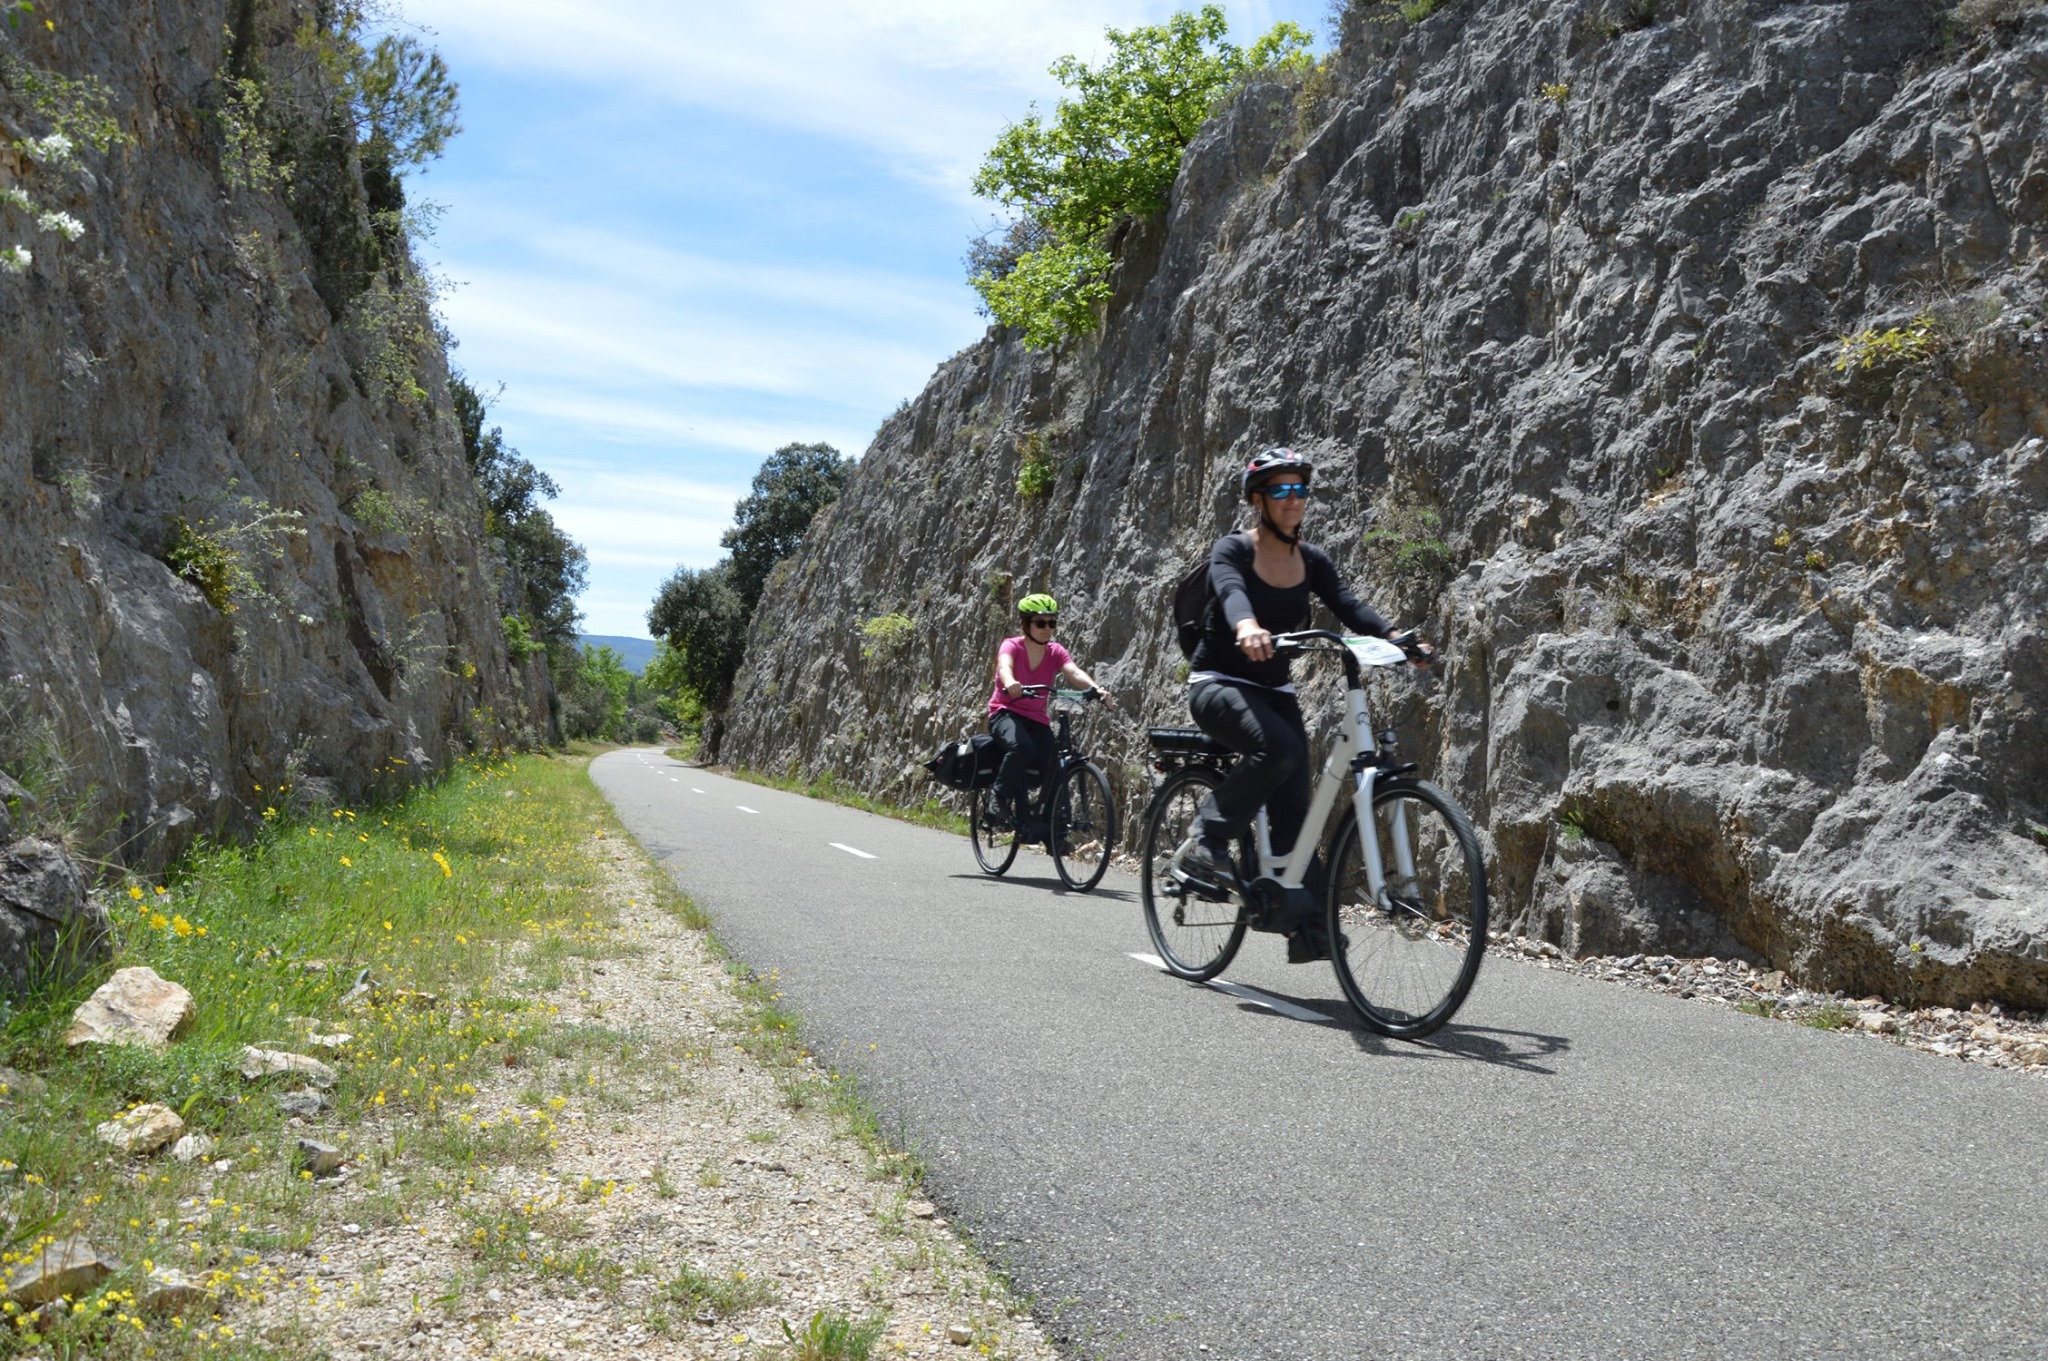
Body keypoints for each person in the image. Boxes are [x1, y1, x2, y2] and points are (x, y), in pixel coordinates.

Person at [1180, 448, 1430, 960]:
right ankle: (1208, 836)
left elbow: (1348, 604)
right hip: (1217, 682)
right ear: (1258, 500)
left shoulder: (1312, 560)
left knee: (1297, 809)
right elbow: (1230, 593)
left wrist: (1395, 636)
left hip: (1274, 690)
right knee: (1279, 751)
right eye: (1281, 491)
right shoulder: (1232, 549)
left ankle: (1309, 930)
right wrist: (1246, 626)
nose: (1294, 500)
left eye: (1300, 490)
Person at [986, 593, 1114, 838]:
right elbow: (1005, 666)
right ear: (1026, 624)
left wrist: (1095, 688)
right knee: (1022, 747)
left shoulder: (1055, 651)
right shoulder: (1012, 645)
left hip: (1036, 719)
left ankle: (1049, 827)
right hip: (1005, 713)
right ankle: (998, 799)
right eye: (1040, 623)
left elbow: (1072, 671)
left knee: (1055, 764)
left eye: (1052, 623)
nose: (1047, 628)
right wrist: (1011, 682)